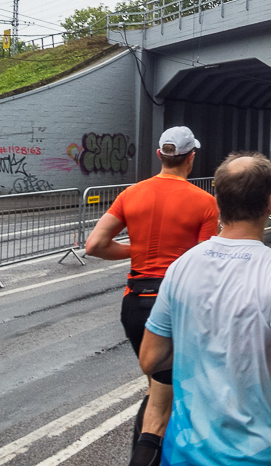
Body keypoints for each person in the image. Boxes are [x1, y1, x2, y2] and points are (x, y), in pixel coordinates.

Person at [140, 152, 271, 466]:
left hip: (184, 455)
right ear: (270, 203)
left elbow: (150, 358)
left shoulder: (181, 267)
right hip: (260, 456)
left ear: (218, 202)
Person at [85, 126, 218, 466]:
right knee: (166, 395)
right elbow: (204, 264)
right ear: (191, 158)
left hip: (135, 303)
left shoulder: (131, 194)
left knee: (157, 386)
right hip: (176, 305)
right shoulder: (205, 202)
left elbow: (95, 245)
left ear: (160, 155)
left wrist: (136, 250)